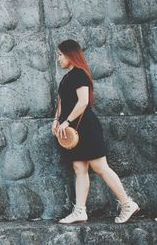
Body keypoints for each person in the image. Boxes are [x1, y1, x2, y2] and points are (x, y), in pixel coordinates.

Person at [52, 39, 139, 224]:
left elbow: (83, 101)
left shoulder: (79, 75)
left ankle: (127, 203)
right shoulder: (67, 77)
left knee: (100, 167)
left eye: (60, 55)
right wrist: (56, 120)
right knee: (79, 168)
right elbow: (61, 102)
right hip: (72, 128)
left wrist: (66, 121)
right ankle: (80, 211)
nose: (58, 59)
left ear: (70, 55)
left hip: (86, 127)